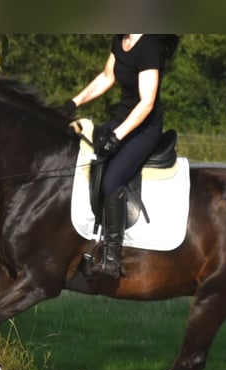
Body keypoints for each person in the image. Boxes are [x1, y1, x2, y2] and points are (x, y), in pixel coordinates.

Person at [64, 34, 179, 279]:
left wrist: (117, 136)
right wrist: (72, 104)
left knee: (112, 181)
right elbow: (107, 77)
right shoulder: (120, 40)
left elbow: (147, 102)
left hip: (145, 128)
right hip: (122, 120)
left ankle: (112, 259)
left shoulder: (148, 45)